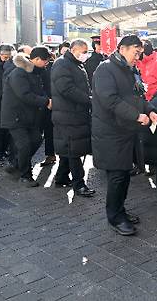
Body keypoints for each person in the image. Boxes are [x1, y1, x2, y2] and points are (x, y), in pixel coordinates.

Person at [92, 35, 157, 236]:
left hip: (127, 130)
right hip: (110, 132)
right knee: (116, 177)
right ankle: (115, 217)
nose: (138, 57)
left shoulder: (131, 70)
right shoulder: (105, 69)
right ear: (122, 49)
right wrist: (137, 116)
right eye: (135, 52)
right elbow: (109, 100)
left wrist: (150, 110)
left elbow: (139, 96)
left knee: (124, 175)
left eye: (140, 53)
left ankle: (120, 210)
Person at [1, 47, 52, 187]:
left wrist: (46, 99)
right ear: (36, 60)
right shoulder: (18, 73)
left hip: (30, 117)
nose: (46, 64)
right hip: (15, 117)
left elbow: (40, 91)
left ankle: (17, 164)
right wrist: (46, 101)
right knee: (24, 145)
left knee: (36, 140)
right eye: (45, 61)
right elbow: (24, 95)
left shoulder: (36, 73)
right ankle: (25, 175)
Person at [51, 39, 95, 197]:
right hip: (68, 114)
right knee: (74, 150)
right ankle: (79, 184)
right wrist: (88, 99)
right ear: (74, 50)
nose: (86, 55)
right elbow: (67, 89)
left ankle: (62, 177)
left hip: (74, 113)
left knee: (68, 148)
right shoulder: (62, 64)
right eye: (84, 52)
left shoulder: (75, 64)